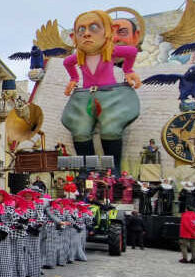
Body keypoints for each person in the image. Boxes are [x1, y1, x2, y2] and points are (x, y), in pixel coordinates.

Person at [60, 10, 142, 171]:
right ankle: (88, 171)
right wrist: (74, 79)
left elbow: (132, 52)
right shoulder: (79, 57)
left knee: (110, 130)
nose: (87, 34)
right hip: (85, 95)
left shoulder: (110, 52)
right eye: (81, 30)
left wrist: (128, 70)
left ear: (108, 31)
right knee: (81, 131)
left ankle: (112, 170)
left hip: (110, 93)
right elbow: (67, 63)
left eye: (94, 28)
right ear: (74, 37)